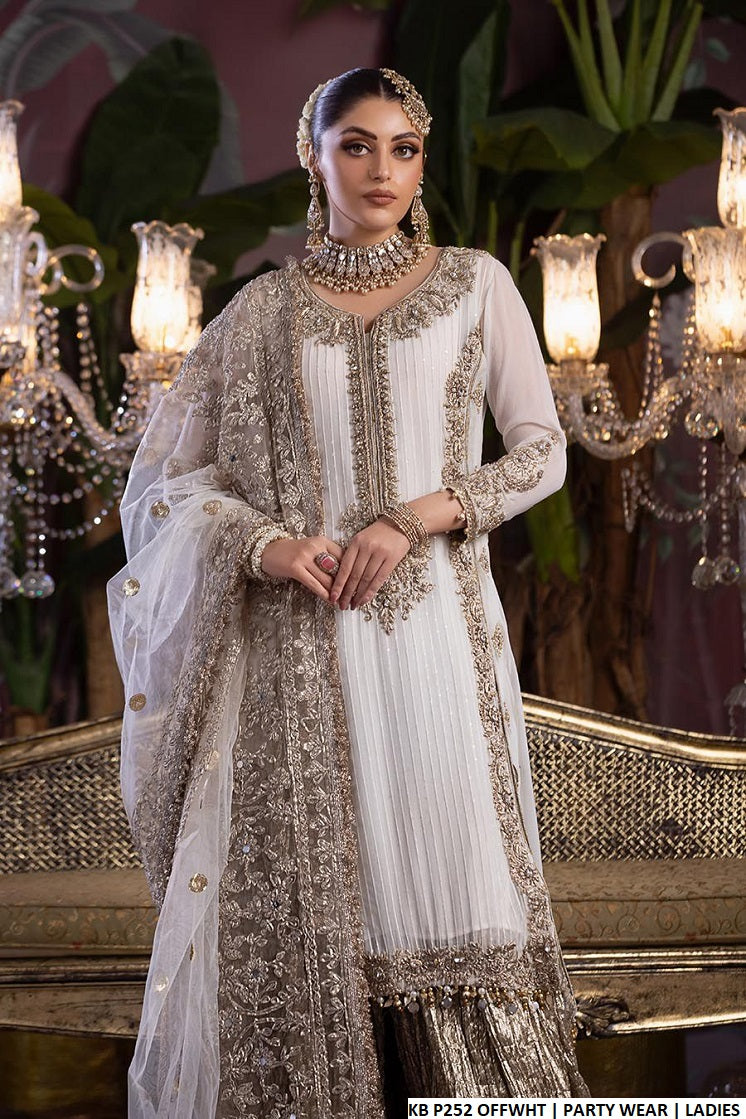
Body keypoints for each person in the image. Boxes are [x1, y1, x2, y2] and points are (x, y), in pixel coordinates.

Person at [108, 66, 590, 1119]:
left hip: (438, 647)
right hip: (298, 650)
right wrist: (266, 545)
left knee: (455, 892)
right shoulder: (260, 315)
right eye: (357, 145)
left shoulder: (474, 284)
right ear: (312, 154)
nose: (383, 170)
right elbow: (167, 487)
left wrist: (415, 516)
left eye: (404, 148)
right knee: (319, 911)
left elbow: (542, 452)